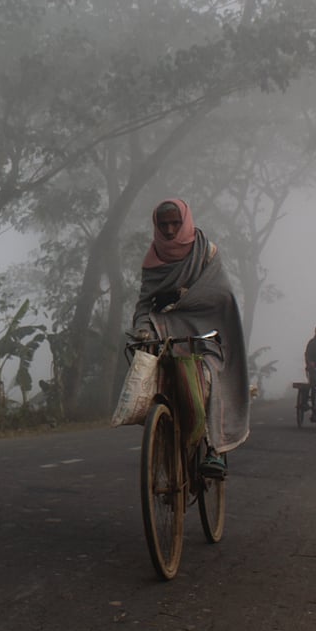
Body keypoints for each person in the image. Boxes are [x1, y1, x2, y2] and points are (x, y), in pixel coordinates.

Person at [131, 199, 250, 479]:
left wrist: (182, 297)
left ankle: (214, 450)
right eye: (164, 224)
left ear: (185, 221)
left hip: (207, 334)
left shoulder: (206, 252)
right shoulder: (153, 259)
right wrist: (141, 328)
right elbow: (145, 303)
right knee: (158, 380)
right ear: (156, 226)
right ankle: (164, 437)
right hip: (166, 334)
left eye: (175, 223)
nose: (170, 229)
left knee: (208, 377)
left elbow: (221, 295)